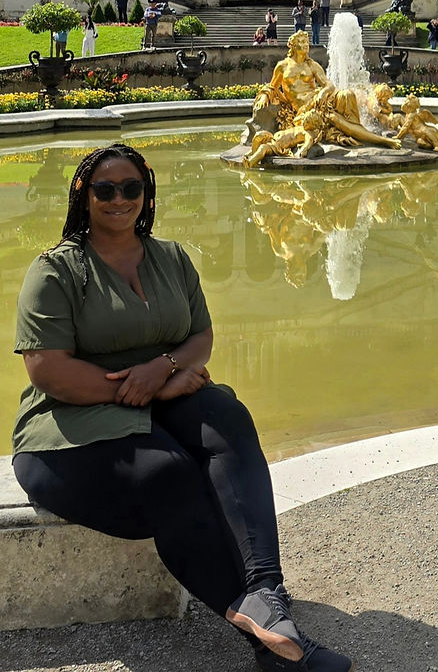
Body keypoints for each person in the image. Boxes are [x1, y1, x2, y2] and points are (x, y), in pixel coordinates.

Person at [11, 144, 352, 672]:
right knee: (168, 470)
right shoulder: (56, 271)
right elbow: (49, 371)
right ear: (84, 195)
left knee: (227, 420)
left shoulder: (170, 257)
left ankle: (266, 590)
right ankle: (274, 647)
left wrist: (164, 369)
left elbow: (200, 337)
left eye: (131, 188)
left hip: (156, 397)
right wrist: (149, 387)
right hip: (69, 423)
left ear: (146, 195)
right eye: (106, 189)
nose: (119, 199)